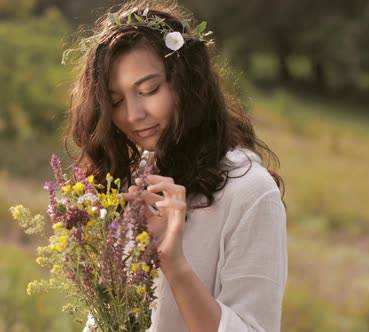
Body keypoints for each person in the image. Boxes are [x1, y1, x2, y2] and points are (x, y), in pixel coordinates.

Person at [64, 0, 287, 331]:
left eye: (149, 89)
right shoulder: (144, 173)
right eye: (116, 101)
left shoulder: (251, 193)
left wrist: (174, 264)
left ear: (186, 83)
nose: (133, 115)